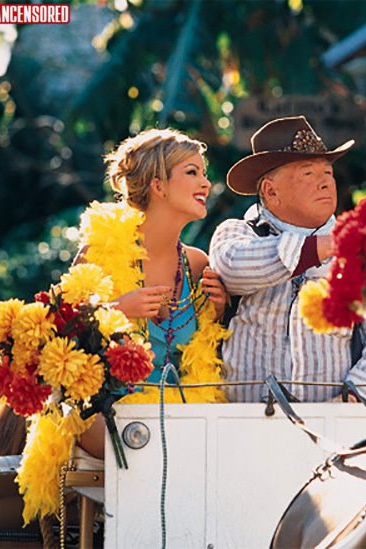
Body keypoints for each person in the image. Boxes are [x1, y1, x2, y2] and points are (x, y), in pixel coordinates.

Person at [209, 116, 366, 403]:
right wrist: (325, 246)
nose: (325, 182)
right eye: (308, 173)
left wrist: (351, 398)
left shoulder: (361, 249)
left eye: (327, 172)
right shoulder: (237, 232)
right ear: (270, 191)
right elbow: (233, 267)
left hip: (338, 421)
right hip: (244, 420)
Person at [76, 128, 230, 458]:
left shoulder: (197, 265)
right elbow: (58, 337)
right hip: (108, 424)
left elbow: (208, 355)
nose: (206, 183)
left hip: (183, 425)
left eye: (204, 174)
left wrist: (217, 314)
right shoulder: (99, 254)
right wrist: (115, 310)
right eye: (192, 172)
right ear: (158, 186)